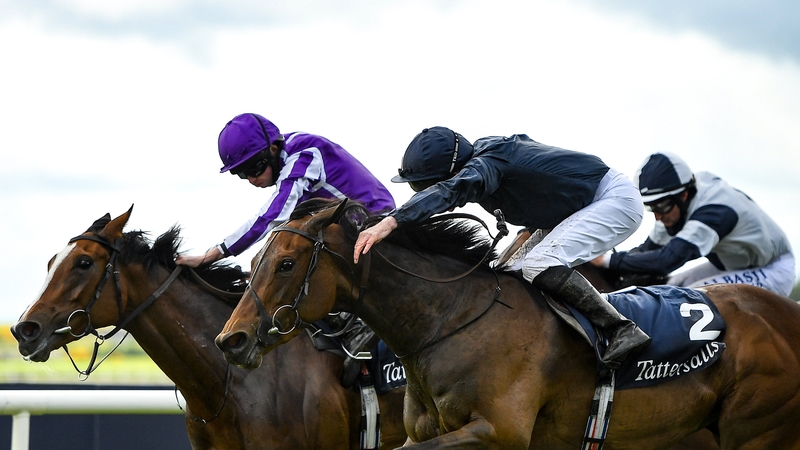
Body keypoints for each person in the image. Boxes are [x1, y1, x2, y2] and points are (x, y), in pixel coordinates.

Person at [353, 126, 650, 369]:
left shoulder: (485, 165)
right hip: (573, 208)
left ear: (448, 173)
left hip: (612, 200)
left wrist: (392, 221)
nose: (421, 192)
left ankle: (620, 328)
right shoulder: (485, 155)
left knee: (538, 265)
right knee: (507, 275)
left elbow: (452, 191)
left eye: (423, 187)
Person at [176, 113, 396, 364]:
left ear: (273, 148)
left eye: (254, 168)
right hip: (338, 224)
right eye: (241, 174)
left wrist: (214, 253)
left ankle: (359, 327)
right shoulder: (288, 158)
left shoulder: (304, 155)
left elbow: (272, 216)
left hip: (372, 222)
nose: (251, 179)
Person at [591, 152, 795, 296]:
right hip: (733, 265)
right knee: (665, 289)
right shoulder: (675, 203)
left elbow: (666, 261)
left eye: (660, 207)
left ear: (684, 195)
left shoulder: (713, 211)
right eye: (651, 208)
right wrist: (608, 268)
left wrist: (608, 261)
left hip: (774, 268)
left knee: (686, 299)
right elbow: (647, 252)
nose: (658, 217)